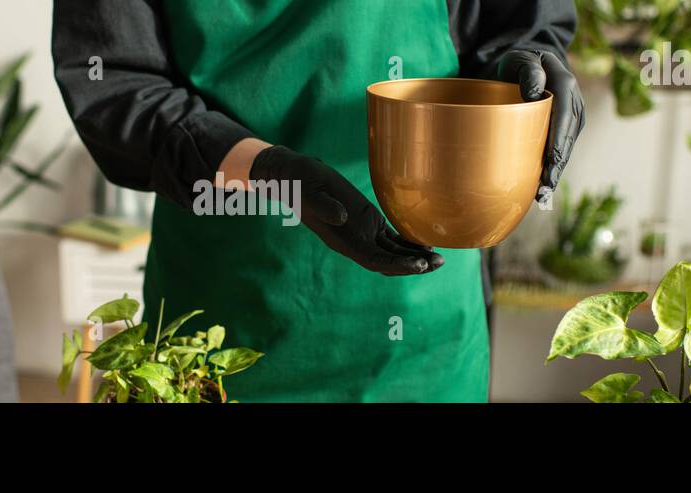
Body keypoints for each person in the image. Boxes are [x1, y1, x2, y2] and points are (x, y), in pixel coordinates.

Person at [52, 0, 584, 402]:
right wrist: (268, 172)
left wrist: (532, 62)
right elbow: (113, 76)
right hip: (222, 319)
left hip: (425, 333)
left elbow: (518, 19)